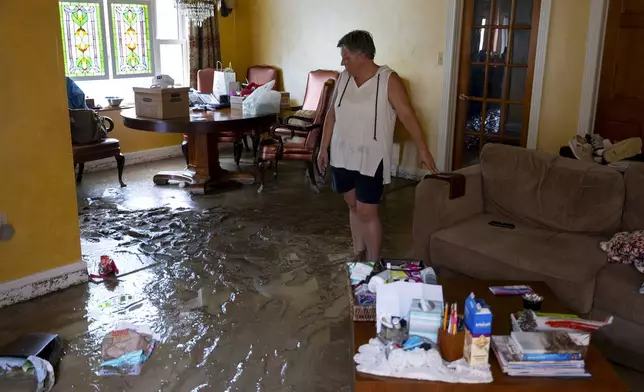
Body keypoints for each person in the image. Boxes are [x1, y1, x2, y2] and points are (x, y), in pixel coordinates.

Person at [317, 30, 438, 263]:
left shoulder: (388, 79)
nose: (342, 61)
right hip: (342, 154)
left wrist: (423, 148)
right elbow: (331, 115)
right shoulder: (343, 78)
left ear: (362, 55)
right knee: (352, 205)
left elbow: (406, 114)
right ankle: (358, 253)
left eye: (346, 57)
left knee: (367, 211)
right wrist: (323, 148)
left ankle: (373, 262)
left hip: (371, 157)